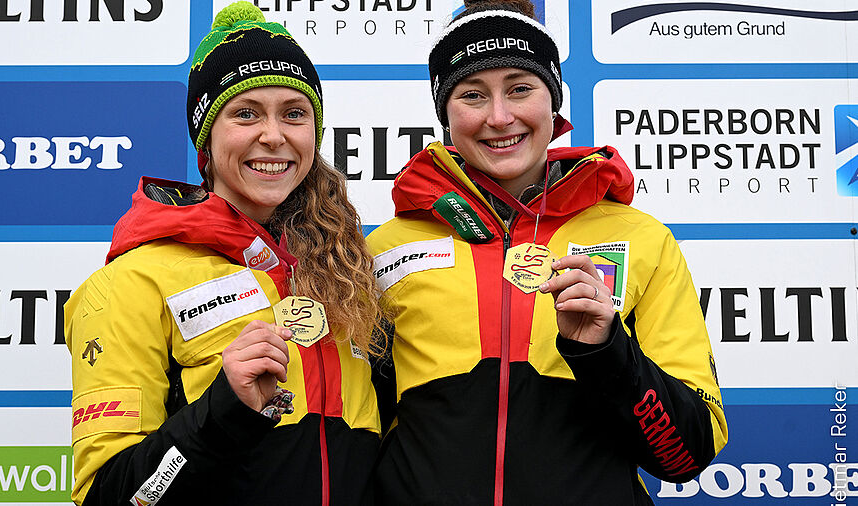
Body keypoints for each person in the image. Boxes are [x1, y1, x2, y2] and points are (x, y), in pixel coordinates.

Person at [367, 0, 728, 504]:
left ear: (553, 100)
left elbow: (686, 455)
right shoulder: (385, 248)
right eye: (472, 95)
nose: (500, 117)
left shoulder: (643, 240)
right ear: (444, 114)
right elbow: (352, 441)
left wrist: (605, 353)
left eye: (520, 88)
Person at [64, 3, 385, 504]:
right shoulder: (133, 281)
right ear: (206, 140)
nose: (274, 136)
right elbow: (111, 496)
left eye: (294, 114)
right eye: (246, 113)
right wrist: (223, 408)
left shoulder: (344, 273)